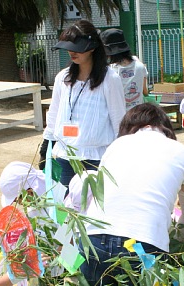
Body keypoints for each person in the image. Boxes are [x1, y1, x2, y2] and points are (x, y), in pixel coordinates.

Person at [81, 103, 184, 286]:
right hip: (144, 248)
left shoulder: (116, 146)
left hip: (93, 243)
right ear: (166, 128)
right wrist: (174, 244)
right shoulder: (183, 154)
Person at [40, 20, 126, 186]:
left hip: (96, 157)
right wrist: (47, 143)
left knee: (95, 201)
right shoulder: (63, 78)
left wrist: (120, 153)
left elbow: (119, 120)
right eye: (69, 47)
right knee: (66, 199)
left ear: (92, 47)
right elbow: (54, 113)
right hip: (66, 155)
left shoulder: (110, 79)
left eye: (77, 47)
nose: (72, 52)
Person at [100, 28, 148, 111]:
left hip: (119, 114)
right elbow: (145, 91)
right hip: (137, 113)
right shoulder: (140, 66)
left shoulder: (110, 71)